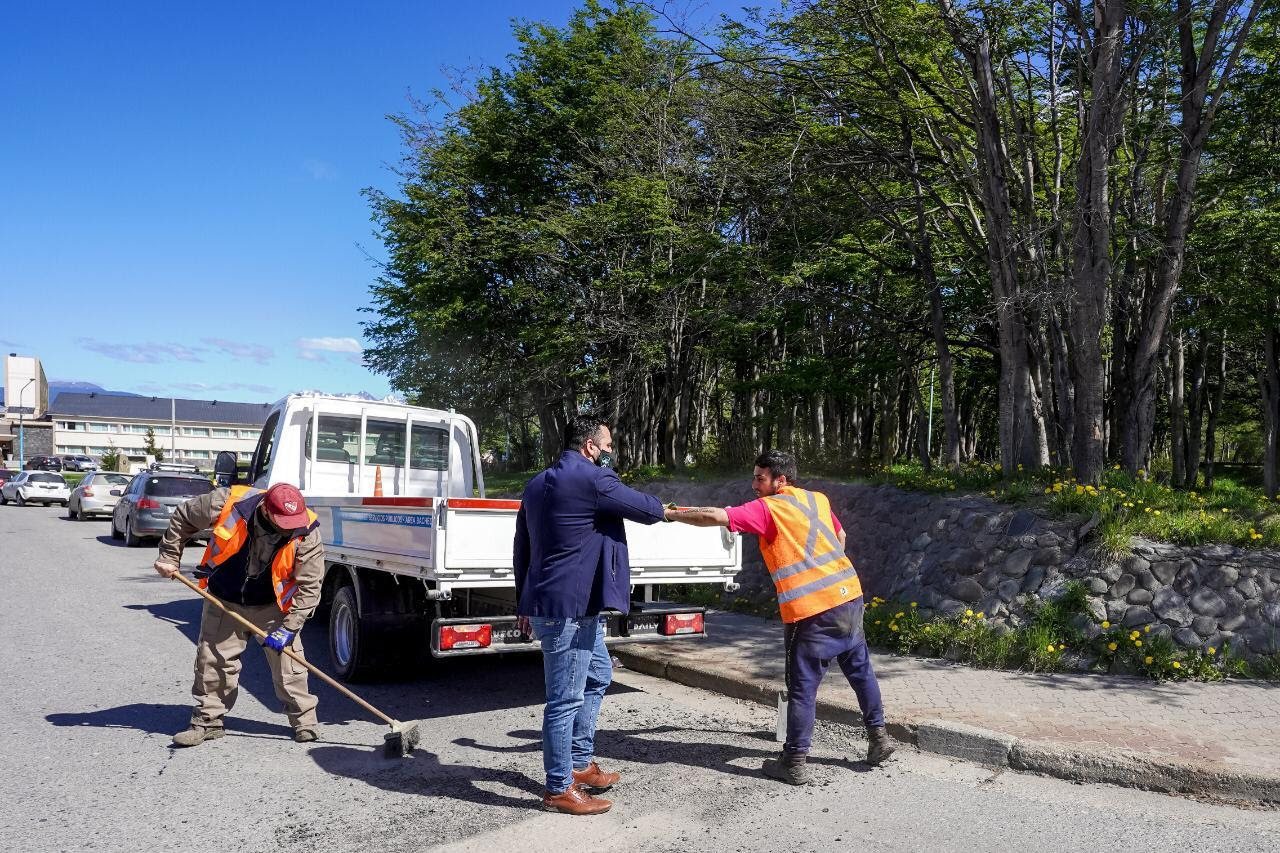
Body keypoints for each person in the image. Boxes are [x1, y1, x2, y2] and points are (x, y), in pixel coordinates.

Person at [664, 449, 895, 784]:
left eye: (760, 478)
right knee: (860, 671)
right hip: (849, 597)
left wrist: (671, 513)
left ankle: (794, 761)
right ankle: (880, 739)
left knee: (802, 687)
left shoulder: (769, 509)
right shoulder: (817, 500)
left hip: (812, 611)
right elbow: (840, 538)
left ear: (780, 480)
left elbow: (715, 517)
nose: (754, 485)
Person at [514, 415, 667, 815]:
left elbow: (521, 548)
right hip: (570, 609)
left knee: (598, 674)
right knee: (563, 699)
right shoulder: (593, 479)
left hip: (562, 604)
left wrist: (524, 601)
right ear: (590, 446)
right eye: (608, 445)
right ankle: (559, 788)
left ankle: (579, 763)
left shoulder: (535, 484)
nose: (611, 451)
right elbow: (648, 510)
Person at [152, 482, 325, 747]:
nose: (289, 529)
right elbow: (184, 516)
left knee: (289, 665)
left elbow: (310, 586)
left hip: (273, 606)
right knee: (214, 661)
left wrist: (289, 628)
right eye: (283, 522)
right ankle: (208, 721)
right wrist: (169, 555)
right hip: (225, 597)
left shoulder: (307, 530)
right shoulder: (227, 502)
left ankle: (304, 722)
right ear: (266, 510)